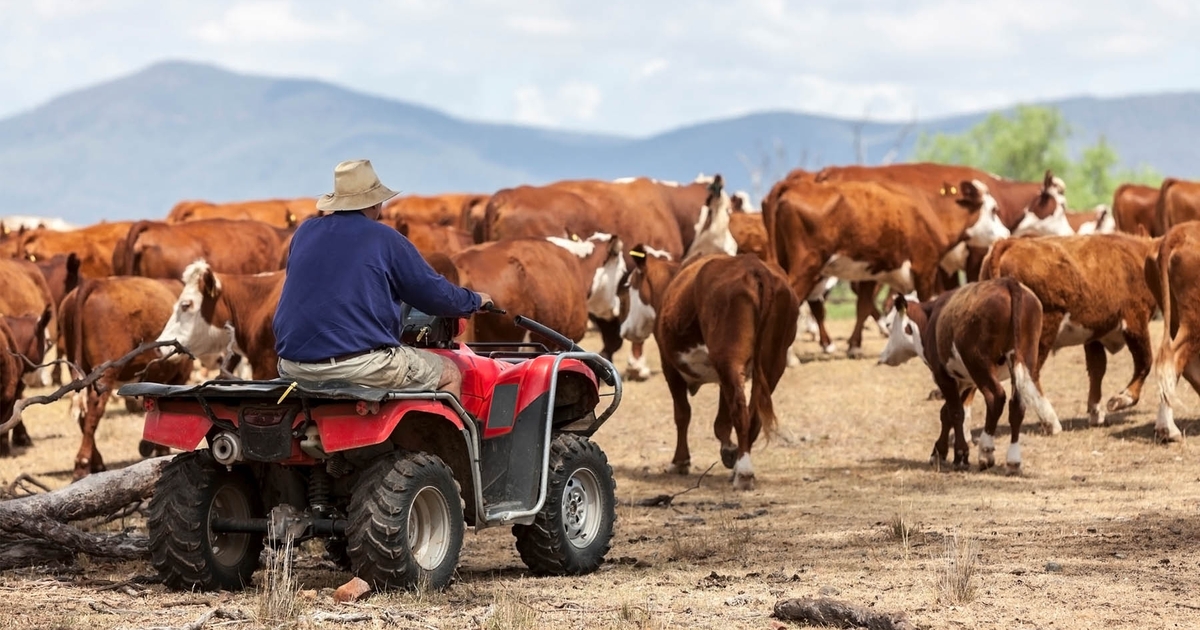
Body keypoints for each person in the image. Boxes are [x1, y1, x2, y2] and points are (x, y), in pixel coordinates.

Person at [273, 159, 491, 399]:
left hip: (293, 365)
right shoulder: (384, 238)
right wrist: (474, 300)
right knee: (449, 373)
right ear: (375, 203)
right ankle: (454, 436)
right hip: (360, 366)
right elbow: (434, 294)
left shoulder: (304, 232)